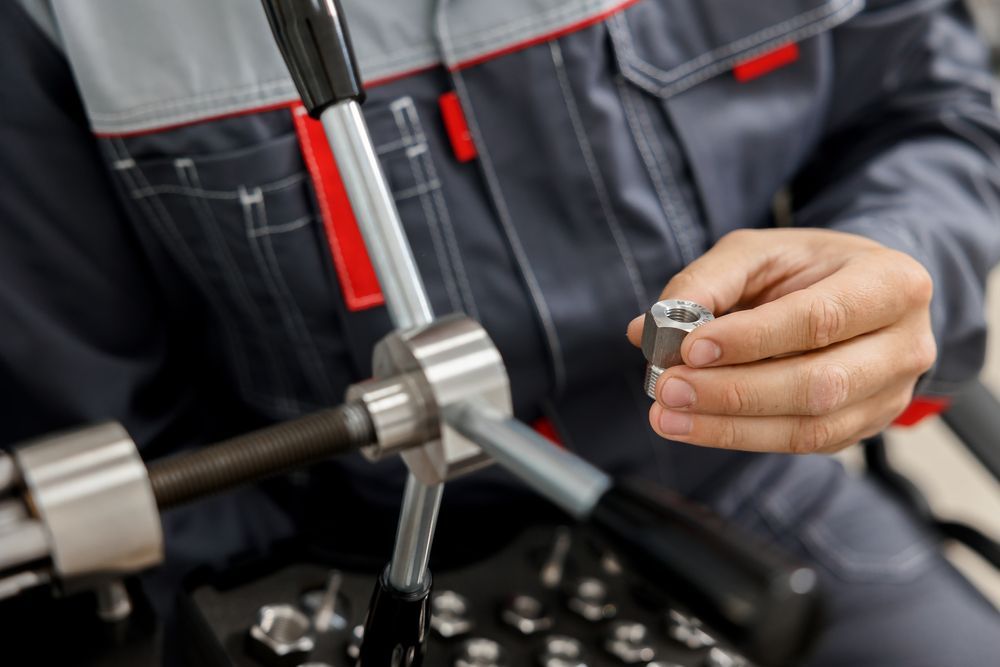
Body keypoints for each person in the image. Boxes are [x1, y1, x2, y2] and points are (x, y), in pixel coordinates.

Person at [2, 0, 999, 663]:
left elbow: (934, 107)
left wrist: (899, 257)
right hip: (320, 554)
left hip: (741, 491)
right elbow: (119, 453)